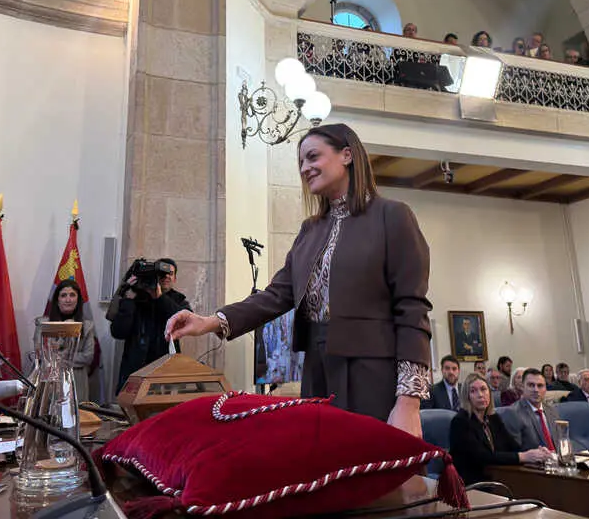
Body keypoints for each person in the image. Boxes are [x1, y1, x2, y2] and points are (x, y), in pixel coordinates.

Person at [166, 123, 433, 437]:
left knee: (370, 463)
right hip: (317, 372)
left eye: (313, 157)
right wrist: (210, 321)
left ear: (347, 155)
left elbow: (412, 310)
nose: (305, 168)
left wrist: (408, 402)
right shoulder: (310, 229)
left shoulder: (393, 216)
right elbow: (276, 295)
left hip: (371, 374)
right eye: (301, 162)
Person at [449, 372, 553, 485]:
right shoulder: (460, 422)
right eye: (473, 391)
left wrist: (536, 453)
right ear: (467, 396)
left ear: (489, 393)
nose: (480, 395)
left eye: (483, 389)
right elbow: (482, 457)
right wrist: (523, 456)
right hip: (470, 483)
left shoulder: (493, 418)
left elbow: (512, 446)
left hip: (495, 478)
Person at [111, 258, 191, 391]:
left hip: (165, 374)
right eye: (162, 273)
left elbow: (185, 323)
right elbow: (118, 332)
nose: (166, 276)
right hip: (135, 371)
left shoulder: (179, 301)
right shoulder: (135, 299)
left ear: (175, 279)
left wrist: (159, 297)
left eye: (170, 273)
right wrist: (128, 301)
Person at [33, 279, 96, 401]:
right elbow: (40, 354)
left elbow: (88, 357)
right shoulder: (43, 324)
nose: (68, 299)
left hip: (76, 380)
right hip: (49, 379)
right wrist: (64, 335)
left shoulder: (87, 326)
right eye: (63, 295)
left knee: (74, 412)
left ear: (78, 300)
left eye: (72, 295)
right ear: (57, 300)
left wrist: (58, 356)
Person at [508, 368, 561, 451]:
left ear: (545, 389)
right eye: (531, 385)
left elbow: (560, 441)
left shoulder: (552, 411)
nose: (536, 390)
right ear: (522, 387)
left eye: (540, 386)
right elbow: (515, 451)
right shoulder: (513, 413)